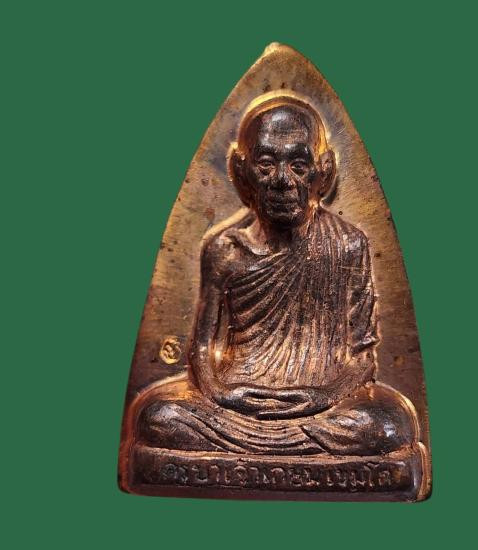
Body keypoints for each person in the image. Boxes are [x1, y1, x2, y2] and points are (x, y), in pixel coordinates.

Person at [138, 96, 417, 456]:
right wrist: (224, 394)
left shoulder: (348, 244)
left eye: (298, 165)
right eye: (266, 164)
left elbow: (363, 356)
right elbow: (202, 349)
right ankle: (292, 450)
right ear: (242, 171)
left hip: (319, 403)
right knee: (160, 417)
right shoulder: (225, 250)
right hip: (238, 401)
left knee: (387, 424)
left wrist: (325, 395)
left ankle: (260, 451)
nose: (283, 181)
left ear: (323, 171)